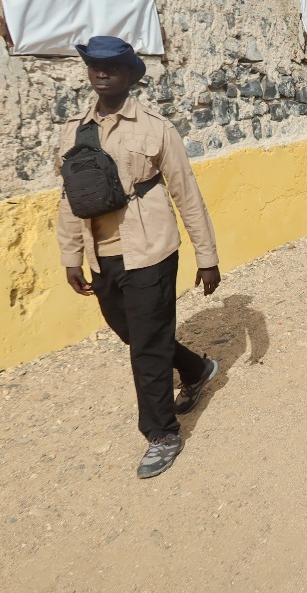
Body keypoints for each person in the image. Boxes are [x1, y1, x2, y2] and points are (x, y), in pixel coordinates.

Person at [57, 36, 221, 479]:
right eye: (95, 66)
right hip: (101, 254)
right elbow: (70, 198)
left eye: (112, 66)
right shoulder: (74, 130)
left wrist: (207, 256)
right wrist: (71, 254)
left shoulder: (156, 129)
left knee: (146, 347)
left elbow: (187, 193)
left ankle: (161, 433)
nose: (102, 72)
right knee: (131, 333)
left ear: (130, 76)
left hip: (150, 250)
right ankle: (196, 367)